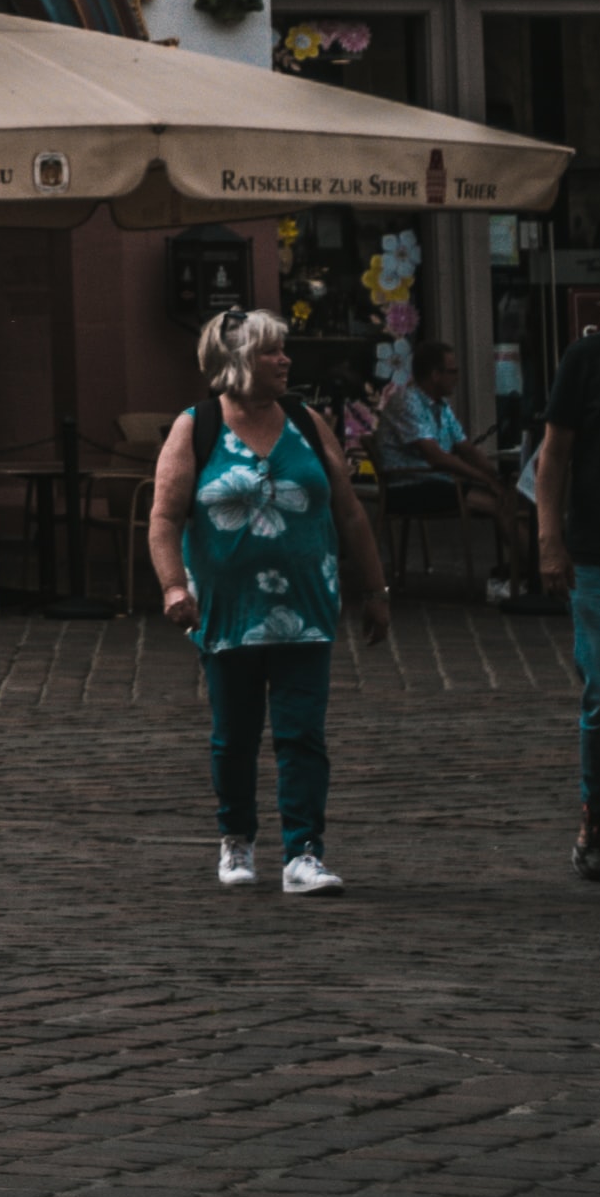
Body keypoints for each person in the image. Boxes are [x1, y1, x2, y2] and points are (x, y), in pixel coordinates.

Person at [147, 304, 391, 895]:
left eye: (284, 349)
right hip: (228, 614)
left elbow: (350, 510)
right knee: (234, 735)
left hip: (307, 608)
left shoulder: (305, 421)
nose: (286, 359)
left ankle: (303, 853)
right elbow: (163, 517)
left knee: (302, 733)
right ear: (236, 361)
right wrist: (174, 585)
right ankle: (236, 837)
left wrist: (375, 591)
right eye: (271, 351)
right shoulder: (197, 425)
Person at [365, 342, 538, 600]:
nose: (457, 378)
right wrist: (483, 479)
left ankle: (527, 568)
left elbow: (465, 447)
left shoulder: (441, 406)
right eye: (453, 371)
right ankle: (537, 572)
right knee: (497, 503)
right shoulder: (407, 402)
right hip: (409, 485)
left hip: (437, 481)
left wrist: (494, 476)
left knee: (510, 497)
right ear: (435, 374)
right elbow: (435, 457)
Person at [536, 310, 600, 883]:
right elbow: (553, 455)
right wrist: (549, 540)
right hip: (597, 554)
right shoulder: (585, 360)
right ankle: (596, 820)